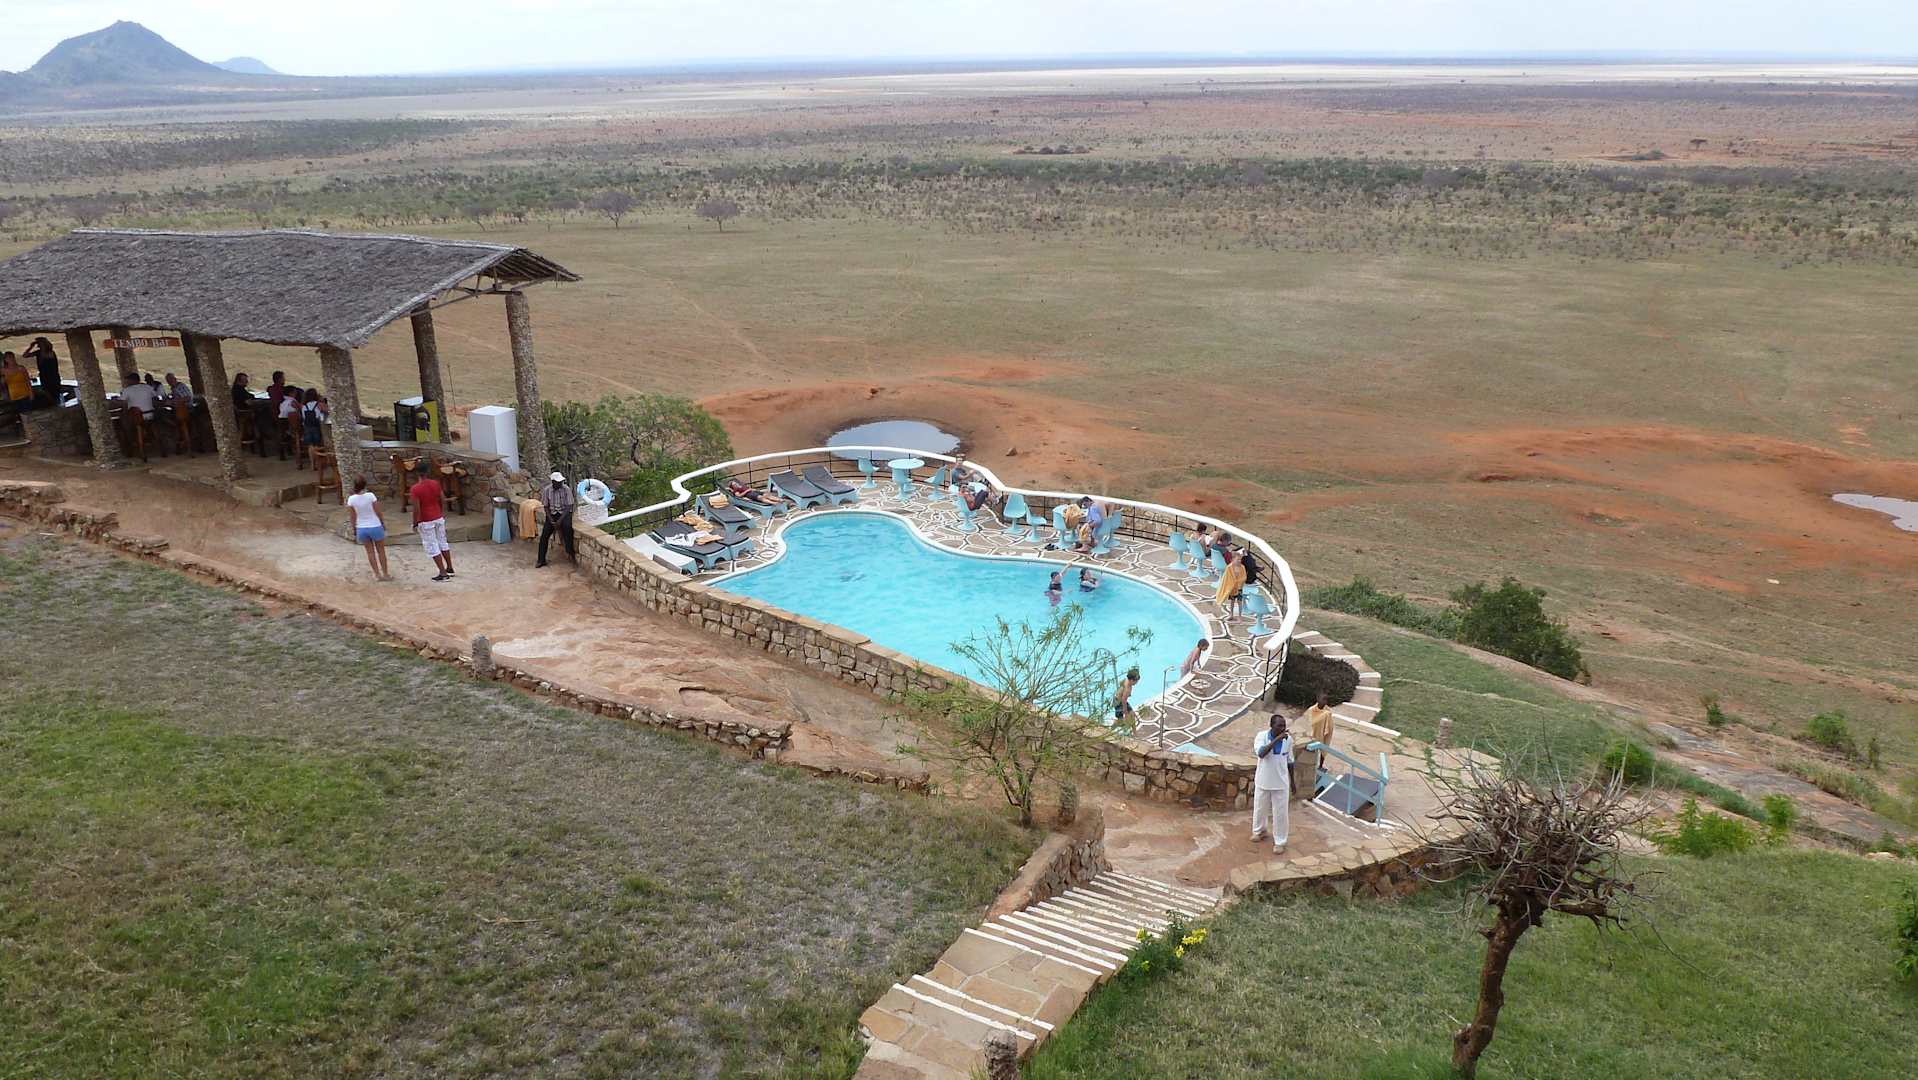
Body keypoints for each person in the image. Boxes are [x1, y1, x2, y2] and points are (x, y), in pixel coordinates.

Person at [1253, 714, 1293, 853]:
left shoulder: (1289, 740)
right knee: (1260, 808)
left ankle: (1280, 841)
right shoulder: (1261, 736)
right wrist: (1277, 739)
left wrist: (1293, 783)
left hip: (1281, 783)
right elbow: (1261, 753)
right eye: (1279, 725)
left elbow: (1290, 761)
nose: (1283, 728)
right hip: (1263, 780)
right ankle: (1260, 831)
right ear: (1271, 726)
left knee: (1280, 814)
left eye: (1284, 725)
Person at [409, 469, 455, 581]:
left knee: (432, 545)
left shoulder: (415, 489)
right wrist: (440, 512)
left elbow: (416, 508)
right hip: (438, 516)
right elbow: (442, 499)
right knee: (443, 542)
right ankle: (450, 568)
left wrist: (415, 523)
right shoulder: (436, 483)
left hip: (426, 519)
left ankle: (443, 573)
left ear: (417, 474)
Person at [345, 476, 392, 581]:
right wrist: (382, 523)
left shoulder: (351, 499)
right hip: (375, 525)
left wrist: (354, 528)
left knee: (370, 552)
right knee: (381, 551)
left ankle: (377, 574)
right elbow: (378, 512)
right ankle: (385, 574)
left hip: (361, 528)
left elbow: (353, 517)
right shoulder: (371, 496)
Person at [537, 471, 578, 567]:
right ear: (553, 482)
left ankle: (570, 552)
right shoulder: (547, 490)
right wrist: (551, 520)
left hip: (564, 513)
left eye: (561, 482)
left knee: (567, 529)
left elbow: (569, 506)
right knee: (544, 536)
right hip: (552, 514)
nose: (560, 483)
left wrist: (560, 521)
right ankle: (541, 560)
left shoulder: (566, 489)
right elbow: (546, 506)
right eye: (558, 482)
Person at [25, 338, 61, 407]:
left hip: (52, 376)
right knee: (46, 390)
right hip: (44, 375)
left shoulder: (50, 352)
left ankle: (56, 404)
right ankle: (51, 404)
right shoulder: (38, 352)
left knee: (54, 391)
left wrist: (42, 348)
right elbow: (25, 355)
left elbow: (46, 358)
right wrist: (31, 347)